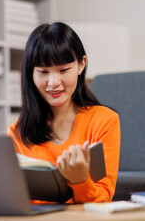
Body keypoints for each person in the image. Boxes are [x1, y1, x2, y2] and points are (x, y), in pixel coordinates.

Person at [7, 22, 121, 204]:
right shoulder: (17, 132)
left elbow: (103, 197)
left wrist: (81, 180)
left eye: (63, 70)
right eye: (43, 72)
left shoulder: (104, 121)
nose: (53, 82)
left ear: (81, 65)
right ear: (31, 73)